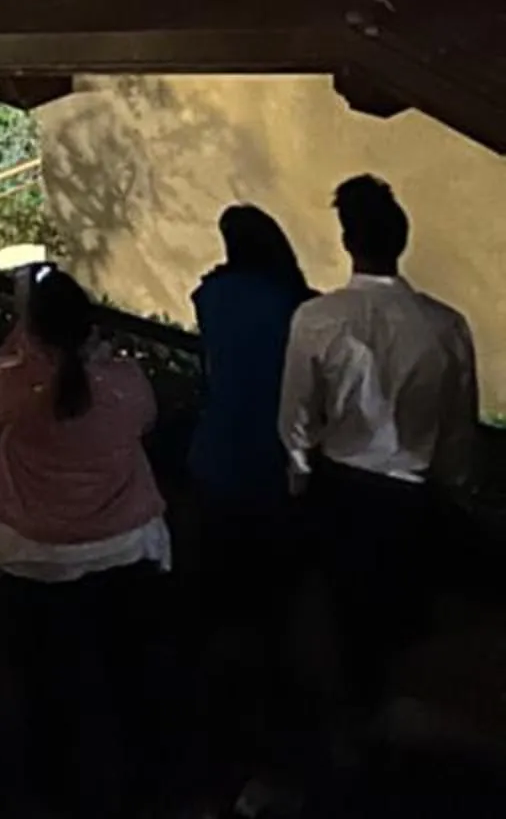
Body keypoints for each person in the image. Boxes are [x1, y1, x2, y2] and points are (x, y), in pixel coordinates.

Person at [280, 174, 479, 715]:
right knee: (405, 626)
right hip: (414, 494)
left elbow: (296, 417)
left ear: (348, 242)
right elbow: (459, 425)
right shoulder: (446, 326)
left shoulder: (318, 319)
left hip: (342, 488)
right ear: (402, 240)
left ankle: (352, 730)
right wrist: (453, 487)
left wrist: (301, 479)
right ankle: (389, 734)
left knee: (344, 623)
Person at [0, 265, 170, 819]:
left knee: (42, 689)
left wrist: (26, 339)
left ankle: (52, 790)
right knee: (121, 680)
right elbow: (146, 420)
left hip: (30, 557)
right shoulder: (126, 385)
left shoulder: (13, 389)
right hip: (122, 552)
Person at [186, 208, 311, 797]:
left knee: (218, 597)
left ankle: (217, 725)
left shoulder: (214, 295)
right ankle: (279, 722)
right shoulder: (298, 304)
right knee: (276, 609)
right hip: (275, 466)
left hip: (218, 461)